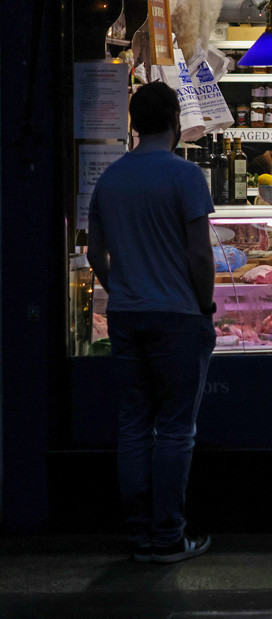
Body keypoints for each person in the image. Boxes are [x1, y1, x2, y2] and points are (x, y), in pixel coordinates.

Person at [87, 82, 215, 564]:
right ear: (176, 122)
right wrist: (204, 306)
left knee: (134, 426)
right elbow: (200, 254)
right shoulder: (186, 176)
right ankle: (169, 536)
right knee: (177, 429)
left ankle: (139, 534)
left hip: (125, 315)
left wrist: (118, 283)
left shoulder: (111, 179)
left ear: (135, 124)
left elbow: (92, 251)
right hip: (179, 317)